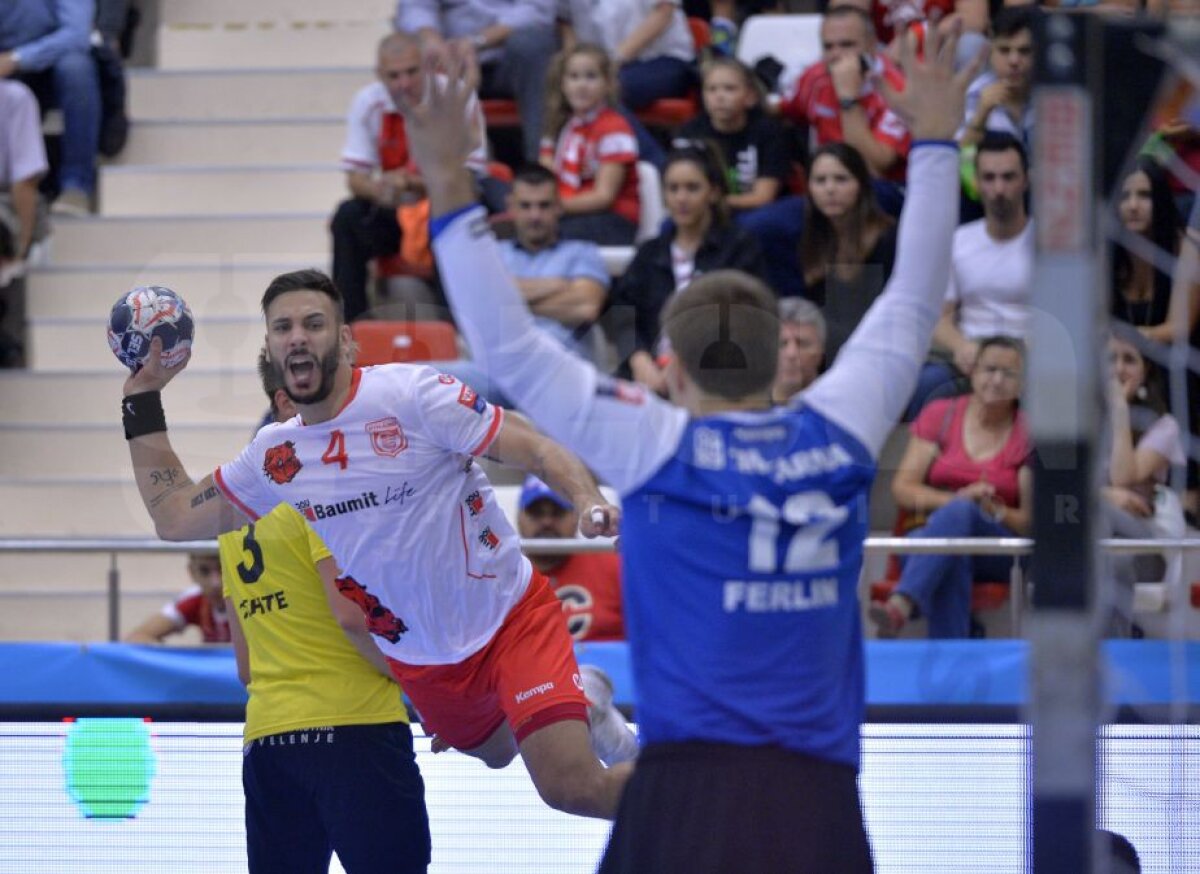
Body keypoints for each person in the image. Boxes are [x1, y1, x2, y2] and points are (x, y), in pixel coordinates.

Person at [407, 24, 979, 871]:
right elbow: (915, 293)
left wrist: (449, 181)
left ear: (668, 370)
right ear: (778, 349)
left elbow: (512, 348)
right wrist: (934, 139)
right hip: (815, 796)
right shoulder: (839, 428)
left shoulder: (653, 440)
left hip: (679, 795)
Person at [119, 276, 634, 819]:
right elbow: (174, 517)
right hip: (424, 659)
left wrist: (586, 498)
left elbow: (534, 447)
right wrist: (141, 398)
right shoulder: (274, 457)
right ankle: (591, 702)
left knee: (569, 786)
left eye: (314, 325)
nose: (298, 338)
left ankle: (708, 796)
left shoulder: (410, 395)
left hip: (508, 616)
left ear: (345, 342)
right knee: (496, 752)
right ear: (270, 347)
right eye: (283, 327)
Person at [224, 355, 430, 874]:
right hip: (356, 729)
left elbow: (247, 668)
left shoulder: (231, 520)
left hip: (269, 742)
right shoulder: (320, 484)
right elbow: (352, 616)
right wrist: (428, 689)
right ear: (286, 401)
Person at [870, 336, 1032, 639]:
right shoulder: (941, 414)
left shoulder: (1028, 431)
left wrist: (988, 509)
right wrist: (957, 500)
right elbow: (902, 488)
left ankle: (901, 604)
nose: (996, 380)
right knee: (952, 551)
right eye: (990, 369)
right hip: (930, 539)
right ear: (973, 372)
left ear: (1022, 385)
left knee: (959, 519)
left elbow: (1028, 521)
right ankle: (958, 652)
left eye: (1008, 374)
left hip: (999, 550)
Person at [331, 31, 490, 322]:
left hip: (442, 204)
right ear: (380, 75)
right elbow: (355, 178)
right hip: (396, 208)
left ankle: (458, 330)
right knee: (348, 217)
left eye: (411, 72)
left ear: (427, 67)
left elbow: (472, 177)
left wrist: (414, 183)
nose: (403, 84)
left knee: (453, 225)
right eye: (394, 76)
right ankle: (350, 329)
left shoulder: (453, 96)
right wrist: (382, 188)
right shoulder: (367, 103)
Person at [612, 139, 768, 395]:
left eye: (692, 188)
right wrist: (639, 360)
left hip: (718, 378)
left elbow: (749, 318)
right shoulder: (650, 253)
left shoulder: (739, 248)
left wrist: (680, 365)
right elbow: (622, 315)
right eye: (673, 188)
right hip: (651, 379)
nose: (681, 198)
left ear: (714, 192)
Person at [910, 131, 1032, 417]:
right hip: (972, 357)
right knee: (926, 383)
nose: (999, 189)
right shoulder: (958, 242)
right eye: (989, 178)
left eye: (1008, 177)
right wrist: (960, 345)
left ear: (1026, 180)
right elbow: (940, 318)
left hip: (1031, 357)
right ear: (976, 183)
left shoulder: (1052, 245)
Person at [396, 0, 557, 162]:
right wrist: (433, 42)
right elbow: (414, 7)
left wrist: (475, 41)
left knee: (532, 47)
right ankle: (444, 170)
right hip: (449, 59)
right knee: (407, 57)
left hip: (511, 58)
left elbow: (537, 9)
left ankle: (540, 168)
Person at [1102, 333, 1186, 636]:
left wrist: (1120, 411)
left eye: (1129, 360)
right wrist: (1103, 495)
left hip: (1144, 543)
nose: (1119, 369)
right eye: (1111, 359)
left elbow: (1124, 476)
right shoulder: (1081, 418)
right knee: (1109, 557)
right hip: (1099, 545)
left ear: (1145, 370)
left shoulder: (1165, 426)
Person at [779, 5, 911, 182]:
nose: (836, 54)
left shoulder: (898, 89)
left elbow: (877, 164)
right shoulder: (814, 77)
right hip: (825, 185)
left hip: (881, 189)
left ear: (872, 45)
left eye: (846, 45)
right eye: (828, 46)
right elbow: (783, 111)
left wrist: (848, 98)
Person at [0, 0, 102, 215]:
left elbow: (77, 35)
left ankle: (76, 185)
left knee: (77, 69)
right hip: (7, 64)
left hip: (54, 60)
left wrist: (18, 59)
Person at [800, 142, 896, 362]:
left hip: (880, 350)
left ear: (861, 185)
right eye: (820, 181)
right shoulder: (811, 238)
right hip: (830, 354)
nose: (830, 189)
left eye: (841, 179)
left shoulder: (889, 239)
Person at [539, 43, 641, 246]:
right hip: (568, 211)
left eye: (591, 77)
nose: (581, 85)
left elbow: (604, 197)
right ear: (562, 84)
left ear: (608, 84)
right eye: (574, 77)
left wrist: (552, 208)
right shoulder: (560, 127)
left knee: (550, 237)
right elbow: (546, 177)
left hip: (613, 219)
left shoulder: (614, 128)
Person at [674, 56, 791, 215]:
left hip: (756, 213)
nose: (719, 97)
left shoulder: (769, 132)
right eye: (711, 89)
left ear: (750, 97)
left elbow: (763, 197)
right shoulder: (689, 133)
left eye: (729, 89)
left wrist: (714, 201)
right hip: (707, 211)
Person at [516, 474, 624, 642]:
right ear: (519, 518)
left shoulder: (616, 568)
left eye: (557, 512)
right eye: (536, 513)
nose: (547, 522)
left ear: (575, 517)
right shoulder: (499, 577)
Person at [557, 0, 696, 113]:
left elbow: (663, 14)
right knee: (566, 90)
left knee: (602, 91)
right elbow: (568, 28)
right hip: (609, 68)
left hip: (666, 60)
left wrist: (613, 61)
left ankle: (634, 148)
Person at [1110, 157, 1183, 341]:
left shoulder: (1183, 250)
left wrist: (1128, 339)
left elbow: (1179, 328)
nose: (1133, 206)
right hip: (1116, 363)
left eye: (1144, 195)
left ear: (1160, 199)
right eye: (1125, 196)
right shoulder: (1107, 253)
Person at [957, 6, 1035, 152]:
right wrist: (981, 115)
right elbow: (962, 162)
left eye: (1024, 51)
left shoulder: (1052, 94)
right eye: (1004, 50)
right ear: (990, 51)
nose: (1014, 61)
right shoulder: (977, 93)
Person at [124, 552, 232, 644]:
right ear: (192, 573)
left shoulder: (247, 597)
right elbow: (137, 637)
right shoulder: (195, 598)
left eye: (223, 569)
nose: (215, 583)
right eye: (204, 571)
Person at [771, 297, 826, 403]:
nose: (791, 354)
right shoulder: (742, 413)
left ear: (820, 351)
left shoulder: (839, 411)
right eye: (781, 344)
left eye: (802, 344)